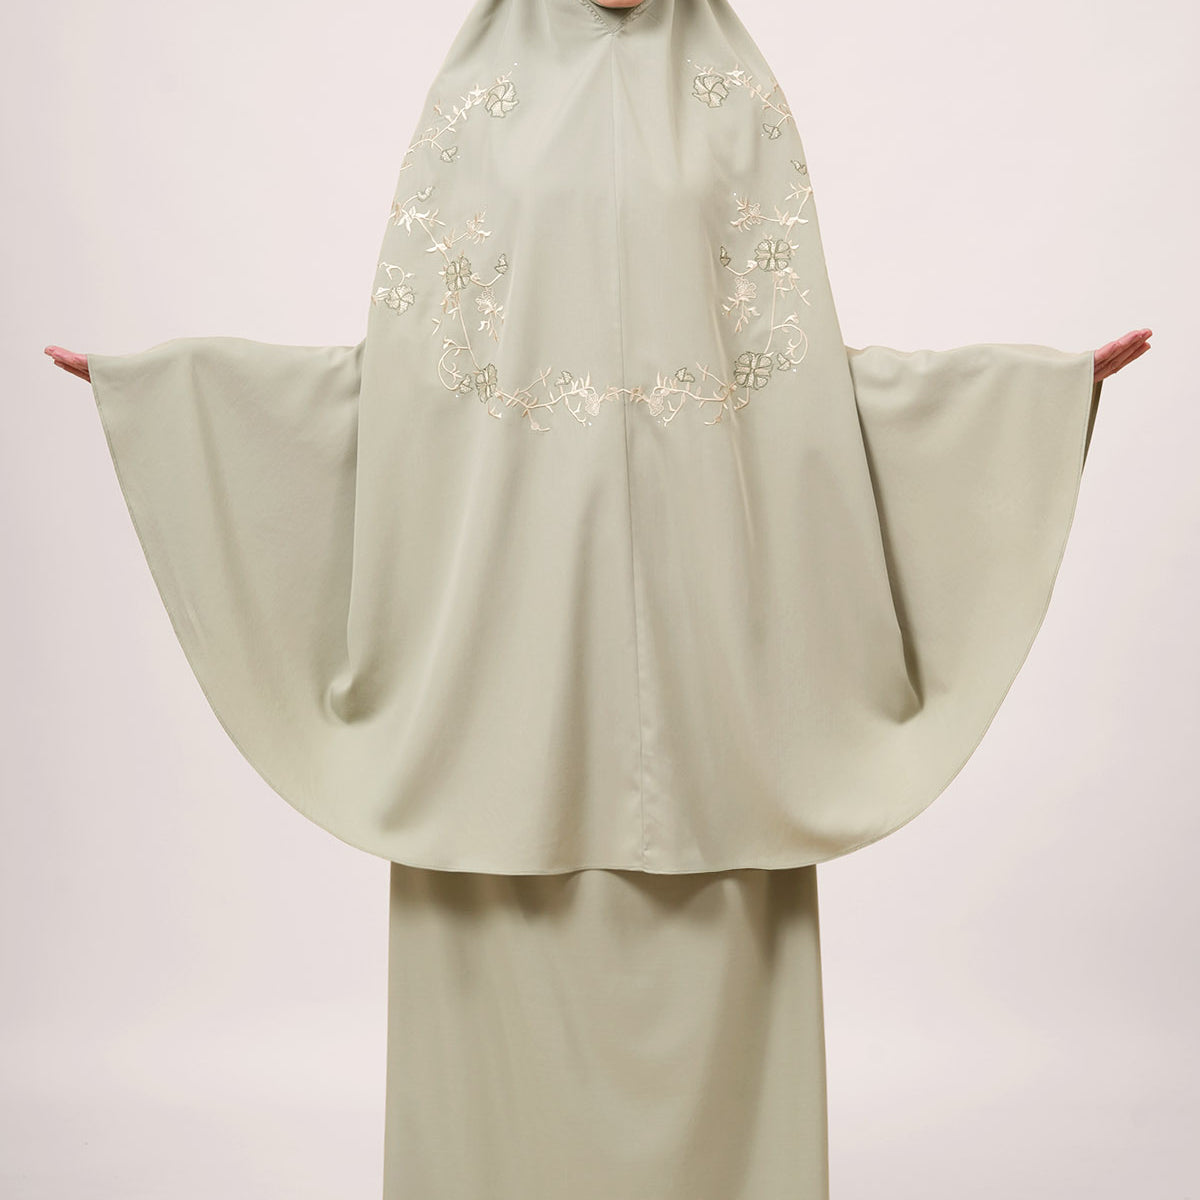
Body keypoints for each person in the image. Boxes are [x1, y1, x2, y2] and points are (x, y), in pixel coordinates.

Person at [43, 1, 1152, 1196]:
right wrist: (175, 394)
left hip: (707, 645)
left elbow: (799, 394)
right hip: (507, 648)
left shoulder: (734, 104)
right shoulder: (482, 104)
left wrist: (1026, 397)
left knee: (717, 946)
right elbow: (407, 390)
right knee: (496, 964)